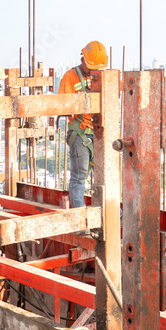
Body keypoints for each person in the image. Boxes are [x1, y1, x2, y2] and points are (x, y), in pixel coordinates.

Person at [57, 41, 109, 208]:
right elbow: (63, 106)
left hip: (99, 132)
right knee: (79, 176)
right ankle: (80, 217)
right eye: (94, 66)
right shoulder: (70, 77)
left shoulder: (102, 78)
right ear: (84, 60)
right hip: (80, 133)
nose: (96, 70)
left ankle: (108, 212)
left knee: (105, 176)